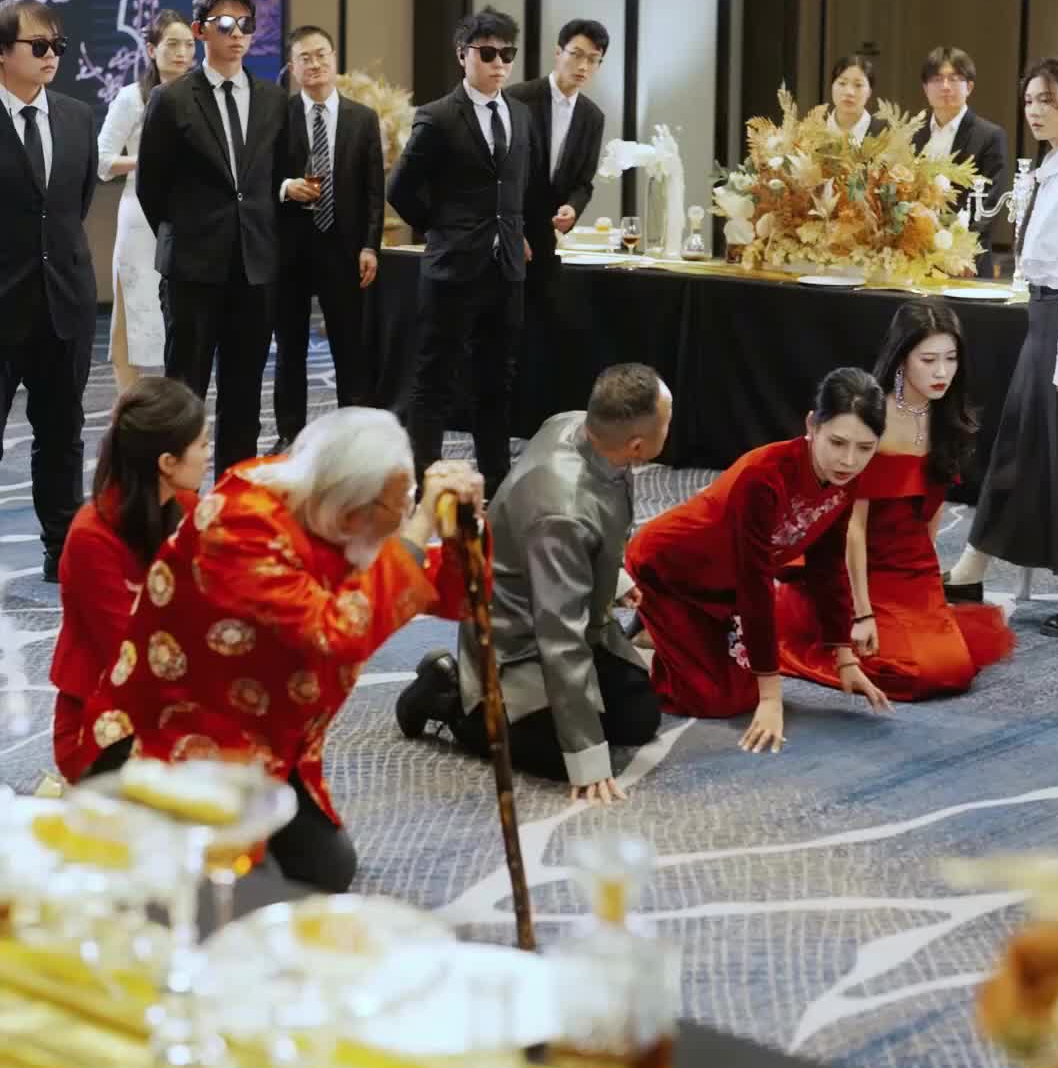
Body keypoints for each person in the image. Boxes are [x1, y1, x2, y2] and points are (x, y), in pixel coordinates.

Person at [81, 411, 484, 890]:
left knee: (324, 870)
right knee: (222, 889)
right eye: (399, 506)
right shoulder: (239, 522)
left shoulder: (333, 506)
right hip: (174, 739)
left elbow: (455, 595)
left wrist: (462, 531)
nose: (404, 518)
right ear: (351, 512)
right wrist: (418, 529)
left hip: (265, 740)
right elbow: (334, 635)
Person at [396, 363, 670, 802]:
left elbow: (581, 534)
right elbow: (558, 637)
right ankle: (447, 695)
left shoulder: (577, 424)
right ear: (637, 445)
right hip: (519, 639)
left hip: (562, 595)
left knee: (638, 718)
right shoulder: (562, 511)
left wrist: (612, 578)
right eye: (666, 422)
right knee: (562, 758)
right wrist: (585, 755)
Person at [625, 368, 891, 754]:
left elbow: (827, 564)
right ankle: (650, 628)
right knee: (716, 700)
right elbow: (756, 580)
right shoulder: (764, 476)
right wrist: (771, 697)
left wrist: (844, 657)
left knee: (742, 690)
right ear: (812, 426)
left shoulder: (845, 479)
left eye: (865, 448)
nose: (848, 460)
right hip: (669, 569)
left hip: (724, 586)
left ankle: (662, 632)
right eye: (837, 442)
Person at [777, 303, 1014, 698]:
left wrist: (927, 587)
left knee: (954, 668)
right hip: (860, 565)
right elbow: (852, 528)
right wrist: (861, 612)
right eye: (928, 360)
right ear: (902, 359)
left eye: (951, 359)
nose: (942, 373)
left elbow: (933, 508)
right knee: (914, 671)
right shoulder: (875, 419)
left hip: (913, 566)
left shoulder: (946, 415)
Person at [944, 58, 1058, 637]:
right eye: (1029, 100)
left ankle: (971, 569)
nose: (1034, 110)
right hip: (1044, 322)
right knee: (1018, 449)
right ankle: (969, 569)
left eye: (1047, 99)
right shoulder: (1056, 164)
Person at [136, 0, 288, 479]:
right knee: (184, 395)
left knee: (245, 396)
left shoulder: (273, 100)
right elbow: (151, 189)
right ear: (201, 30)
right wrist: (189, 235)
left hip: (254, 269)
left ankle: (233, 504)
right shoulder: (172, 99)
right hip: (193, 269)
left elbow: (275, 180)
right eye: (225, 23)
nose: (237, 33)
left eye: (246, 23)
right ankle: (175, 502)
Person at [386, 4, 530, 499]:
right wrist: (441, 229)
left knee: (497, 381)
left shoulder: (520, 114)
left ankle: (496, 482)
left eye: (507, 54)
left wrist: (515, 231)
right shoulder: (439, 116)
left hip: (505, 269)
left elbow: (515, 187)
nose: (499, 64)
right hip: (452, 268)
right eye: (487, 54)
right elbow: (400, 189)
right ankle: (423, 483)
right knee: (434, 380)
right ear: (462, 54)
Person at [51, 379, 209, 781]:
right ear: (168, 462)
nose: (209, 455)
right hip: (104, 721)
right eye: (203, 444)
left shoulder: (187, 506)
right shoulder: (91, 536)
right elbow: (128, 654)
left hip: (173, 698)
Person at [0, 0, 97, 581]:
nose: (51, 56)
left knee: (62, 433)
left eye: (57, 46)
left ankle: (62, 550)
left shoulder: (78, 117)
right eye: (38, 46)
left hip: (64, 303)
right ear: (2, 52)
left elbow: (71, 207)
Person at [271, 24, 384, 451]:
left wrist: (370, 244)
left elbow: (374, 191)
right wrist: (286, 187)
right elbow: (260, 176)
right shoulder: (279, 116)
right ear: (292, 67)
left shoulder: (362, 118)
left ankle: (354, 435)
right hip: (291, 250)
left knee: (350, 347)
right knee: (290, 348)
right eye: (305, 58)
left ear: (334, 60)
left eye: (321, 55)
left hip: (345, 248)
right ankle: (290, 434)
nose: (315, 64)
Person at [510, 18, 608, 430]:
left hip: (547, 236)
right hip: (508, 228)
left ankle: (533, 419)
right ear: (558, 52)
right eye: (577, 55)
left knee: (542, 328)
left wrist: (572, 207)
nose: (583, 66)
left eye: (593, 59)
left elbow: (583, 182)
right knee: (504, 328)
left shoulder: (592, 116)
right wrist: (512, 229)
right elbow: (501, 173)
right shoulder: (518, 99)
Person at [98, 12, 196, 392]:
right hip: (139, 218)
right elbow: (102, 161)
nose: (182, 52)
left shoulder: (200, 96)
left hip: (190, 215)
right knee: (136, 314)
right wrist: (148, 160)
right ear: (152, 49)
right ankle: (131, 404)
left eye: (189, 44)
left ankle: (179, 403)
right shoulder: (132, 97)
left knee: (184, 317)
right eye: (172, 44)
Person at [912, 47, 1007, 279]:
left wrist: (963, 251)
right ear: (925, 88)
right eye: (937, 79)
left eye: (954, 79)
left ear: (969, 87)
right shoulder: (913, 134)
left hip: (966, 262)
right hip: (916, 258)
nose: (945, 86)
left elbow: (991, 200)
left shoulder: (989, 136)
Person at [826, 54, 885, 145]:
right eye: (842, 83)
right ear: (832, 86)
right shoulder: (812, 129)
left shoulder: (885, 135)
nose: (849, 92)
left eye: (858, 85)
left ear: (869, 92)